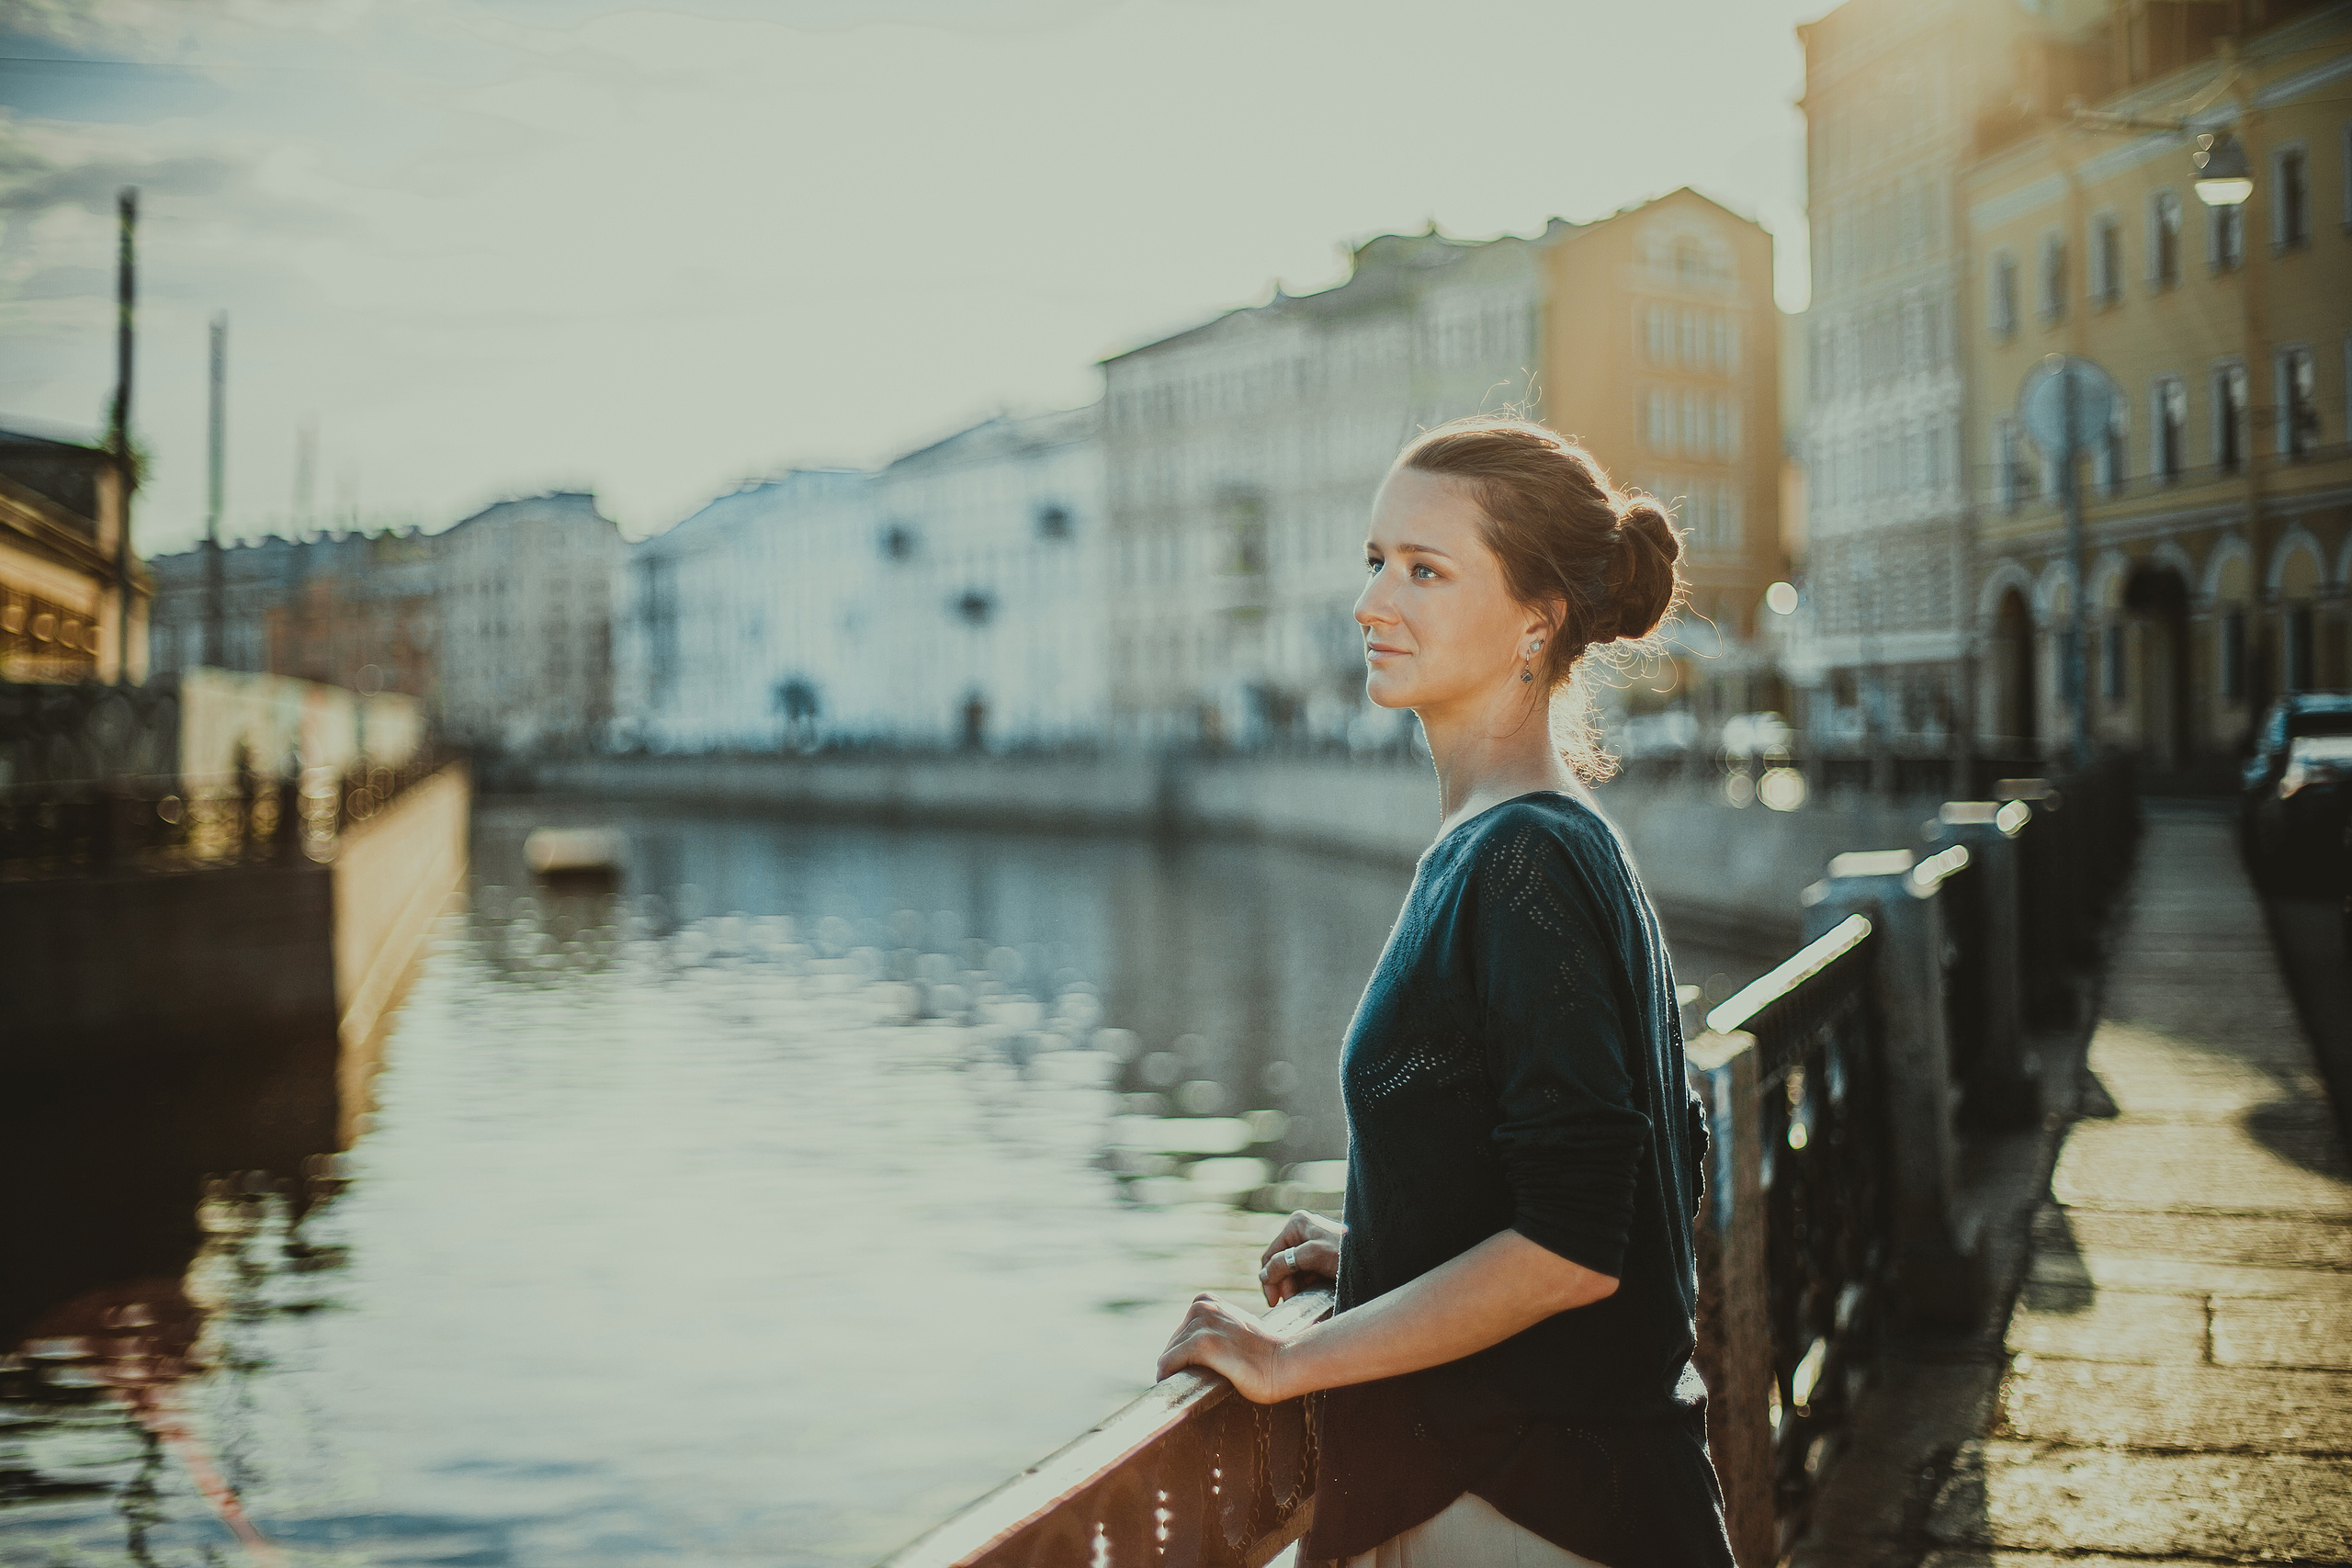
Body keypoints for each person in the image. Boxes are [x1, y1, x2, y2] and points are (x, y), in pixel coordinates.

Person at [1156, 418, 1733, 1568]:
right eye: (1374, 561)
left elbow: (1578, 1244)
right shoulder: (1537, 843)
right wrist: (1390, 1246)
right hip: (1543, 1497)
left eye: (1424, 570)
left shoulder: (1523, 861)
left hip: (1525, 1514)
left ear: (1537, 618)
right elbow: (1662, 1162)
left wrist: (1288, 1361)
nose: (1374, 601)